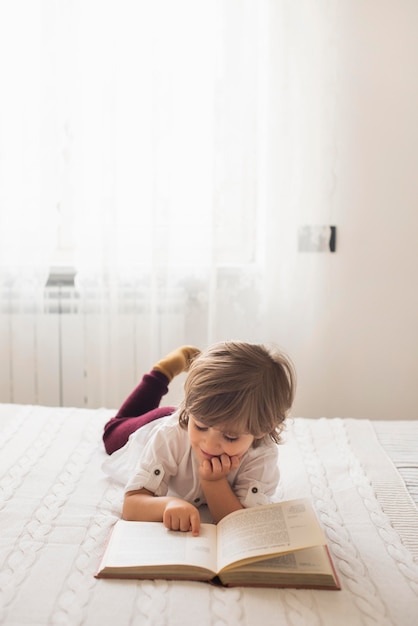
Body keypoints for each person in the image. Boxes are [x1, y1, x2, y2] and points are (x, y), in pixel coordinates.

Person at [102, 341, 296, 536]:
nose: (209, 445)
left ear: (264, 429)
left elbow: (237, 522)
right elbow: (132, 505)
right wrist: (168, 504)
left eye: (230, 437)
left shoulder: (261, 457)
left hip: (194, 416)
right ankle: (163, 371)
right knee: (112, 436)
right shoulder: (169, 436)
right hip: (165, 421)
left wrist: (213, 481)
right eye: (202, 427)